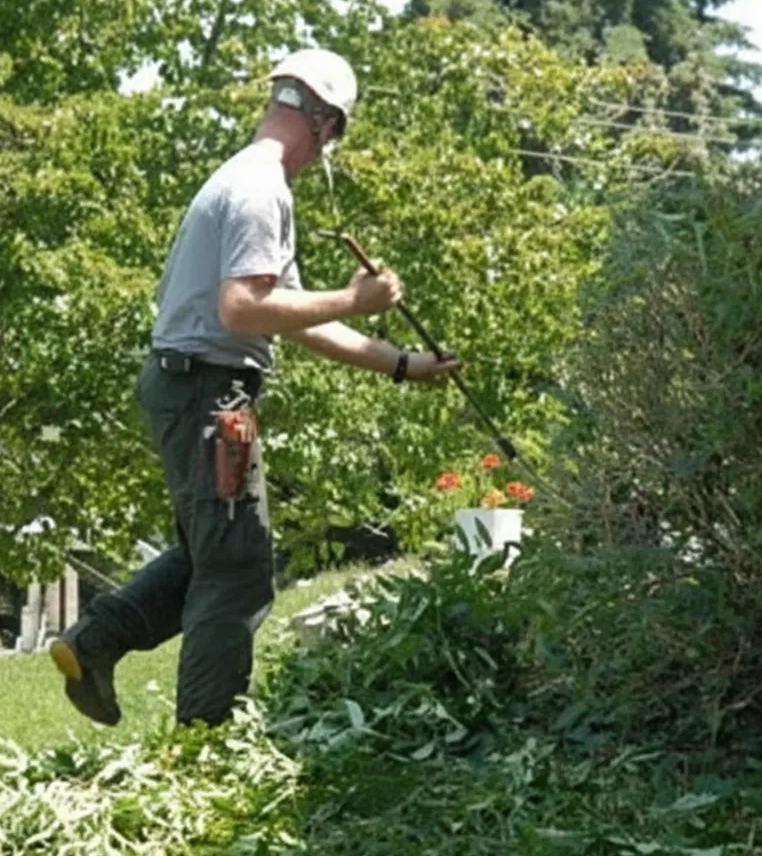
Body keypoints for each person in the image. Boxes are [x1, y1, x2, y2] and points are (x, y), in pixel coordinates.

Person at [49, 48, 461, 728]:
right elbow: (242, 309)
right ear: (324, 124)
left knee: (217, 550)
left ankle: (94, 643)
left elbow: (289, 317)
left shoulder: (250, 181)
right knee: (238, 571)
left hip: (197, 390)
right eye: (333, 135)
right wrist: (355, 299)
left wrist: (400, 362)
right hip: (213, 399)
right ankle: (202, 744)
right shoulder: (258, 188)